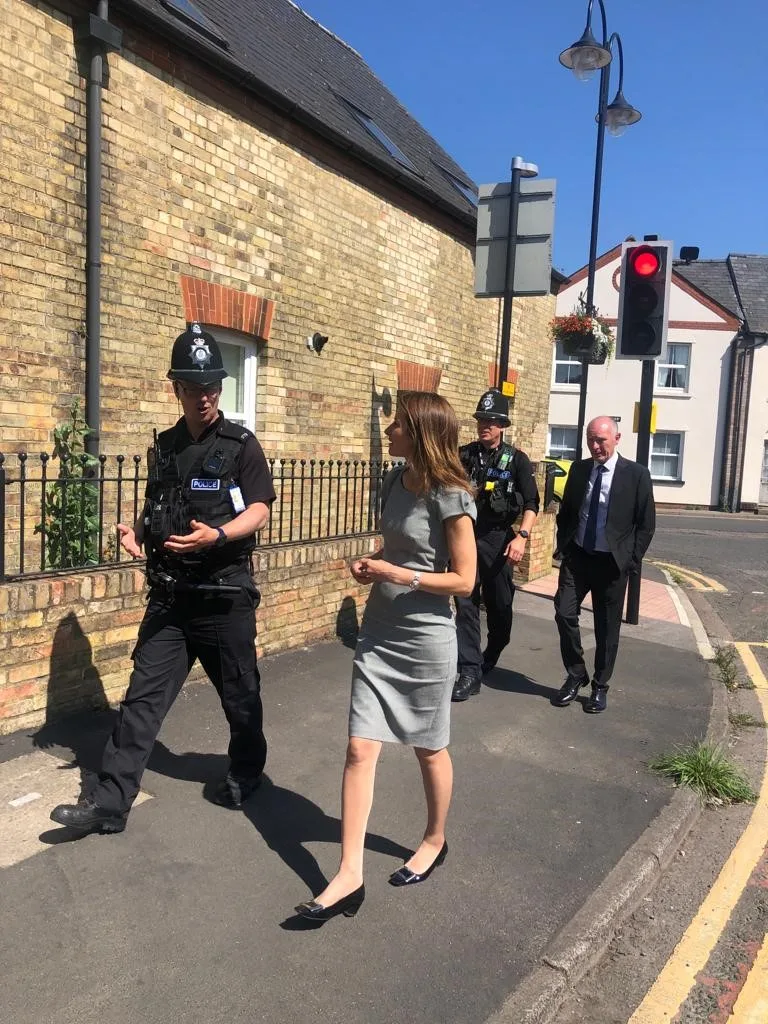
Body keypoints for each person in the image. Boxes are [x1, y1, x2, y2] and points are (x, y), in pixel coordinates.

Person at [51, 323, 276, 833]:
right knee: (141, 701)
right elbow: (164, 507)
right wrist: (142, 543)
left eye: (213, 387)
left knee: (240, 695)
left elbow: (259, 508)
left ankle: (247, 770)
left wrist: (217, 537)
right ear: (175, 387)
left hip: (223, 594)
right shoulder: (167, 445)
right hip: (172, 597)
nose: (205, 396)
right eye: (194, 387)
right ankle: (109, 804)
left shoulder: (242, 444)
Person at [294, 392, 477, 923]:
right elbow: (398, 549)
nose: (390, 430)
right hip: (380, 632)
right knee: (358, 748)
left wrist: (396, 574)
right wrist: (375, 562)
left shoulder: (452, 496)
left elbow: (464, 581)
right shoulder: (393, 483)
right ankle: (349, 873)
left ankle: (435, 838)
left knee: (428, 748)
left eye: (397, 424)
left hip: (426, 638)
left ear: (420, 433)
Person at [552, 415, 656, 714]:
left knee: (607, 629)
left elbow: (645, 524)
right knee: (563, 612)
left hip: (612, 563)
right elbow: (568, 511)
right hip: (579, 557)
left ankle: (599, 686)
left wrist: (630, 560)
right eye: (591, 440)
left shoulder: (636, 474)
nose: (595, 446)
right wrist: (565, 546)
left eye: (601, 440)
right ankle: (575, 674)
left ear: (617, 439)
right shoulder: (580, 469)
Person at [451, 388, 539, 702]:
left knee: (500, 608)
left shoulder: (516, 459)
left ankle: (494, 648)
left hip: (500, 540)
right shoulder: (463, 454)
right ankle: (470, 670)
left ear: (502, 425)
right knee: (465, 603)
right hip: (466, 537)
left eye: (491, 420)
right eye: (481, 420)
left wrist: (522, 538)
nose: (485, 425)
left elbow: (532, 503)